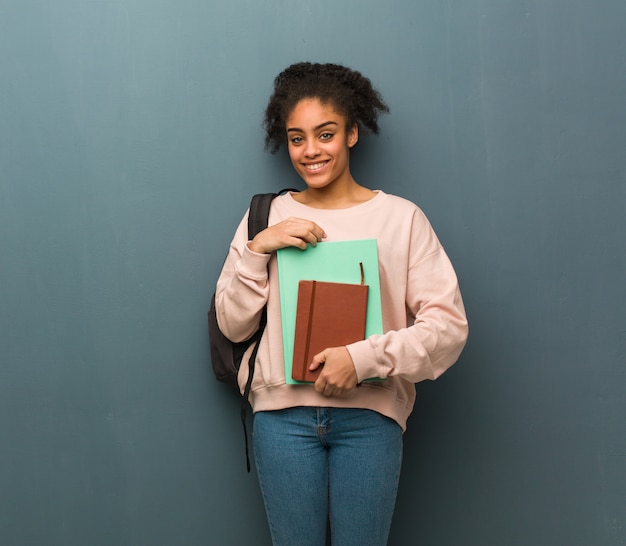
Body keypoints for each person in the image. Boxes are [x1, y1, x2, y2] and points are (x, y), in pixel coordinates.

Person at [214, 62, 468, 546]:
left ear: (352, 132)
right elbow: (231, 325)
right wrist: (257, 250)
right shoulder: (265, 217)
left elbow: (448, 328)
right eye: (296, 138)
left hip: (369, 418)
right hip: (281, 420)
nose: (310, 151)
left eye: (325, 134)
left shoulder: (401, 218)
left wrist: (363, 357)